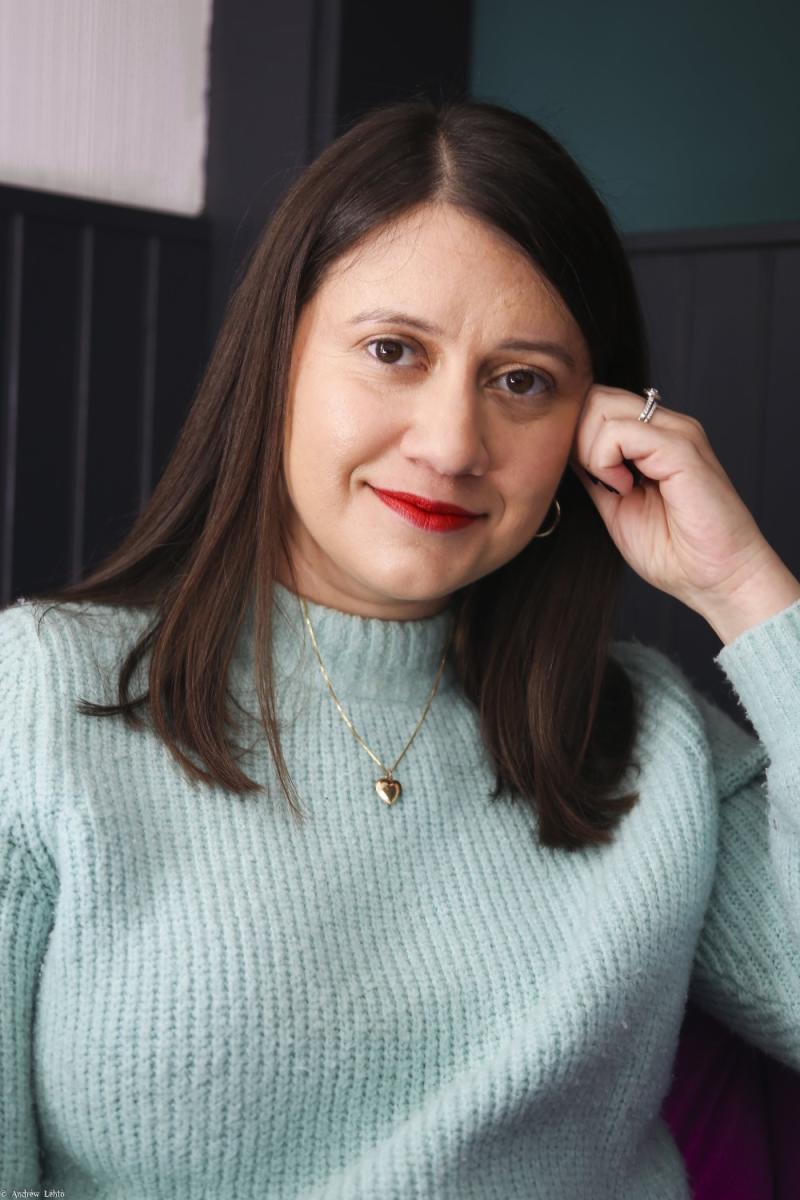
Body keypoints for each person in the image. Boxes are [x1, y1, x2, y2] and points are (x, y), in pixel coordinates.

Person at [1, 96, 799, 1200]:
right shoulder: (42, 694)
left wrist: (746, 590)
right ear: (275, 364)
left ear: (589, 423)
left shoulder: (644, 736)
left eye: (519, 381)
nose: (451, 444)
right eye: (391, 351)